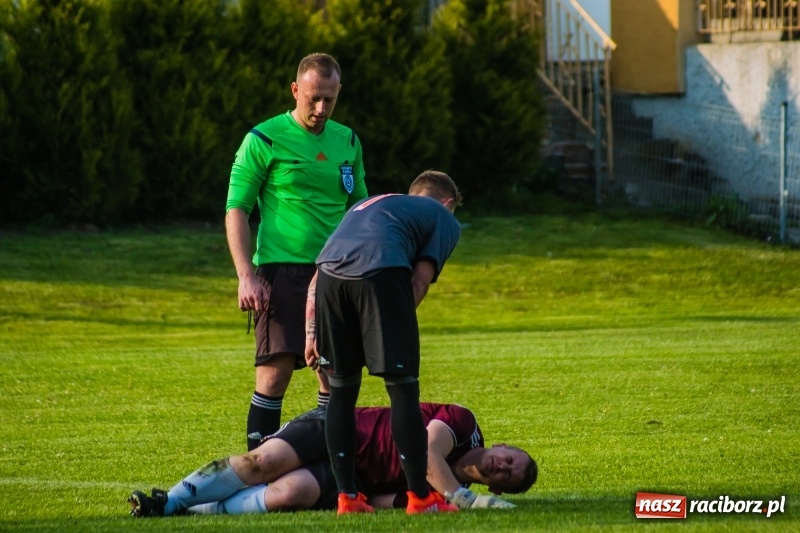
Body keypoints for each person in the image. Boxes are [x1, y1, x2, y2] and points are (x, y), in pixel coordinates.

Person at [225, 52, 368, 451]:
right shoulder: (264, 139)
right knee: (275, 374)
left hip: (337, 274)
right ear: (295, 90)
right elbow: (236, 209)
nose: (321, 109)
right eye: (313, 98)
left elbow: (360, 209)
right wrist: (245, 275)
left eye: (330, 99)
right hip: (281, 271)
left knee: (333, 374)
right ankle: (259, 470)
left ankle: (330, 470)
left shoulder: (348, 141)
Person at [303, 170, 463, 514]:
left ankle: (348, 497)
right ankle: (420, 498)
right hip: (381, 271)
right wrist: (395, 328)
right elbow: (419, 280)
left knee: (341, 391)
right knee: (402, 386)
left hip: (330, 277)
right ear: (447, 203)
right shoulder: (443, 217)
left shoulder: (366, 204)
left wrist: (311, 331)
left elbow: (318, 273)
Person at [128, 403, 538, 517]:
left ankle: (199, 512)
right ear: (501, 445)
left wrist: (392, 505)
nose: (502, 464)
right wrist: (458, 498)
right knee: (262, 463)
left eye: (508, 474)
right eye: (509, 457)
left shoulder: (447, 493)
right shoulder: (463, 424)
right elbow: (423, 451)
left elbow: (387, 499)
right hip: (337, 428)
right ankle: (168, 501)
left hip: (348, 475)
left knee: (292, 493)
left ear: (498, 487)